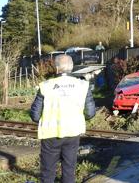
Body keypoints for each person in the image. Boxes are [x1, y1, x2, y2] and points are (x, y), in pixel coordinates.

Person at [30, 54, 96, 183]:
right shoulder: (82, 85)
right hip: (73, 132)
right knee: (69, 169)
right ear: (71, 67)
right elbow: (90, 112)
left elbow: (35, 114)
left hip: (49, 134)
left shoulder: (45, 85)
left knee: (48, 171)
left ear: (56, 68)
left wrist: (46, 120)